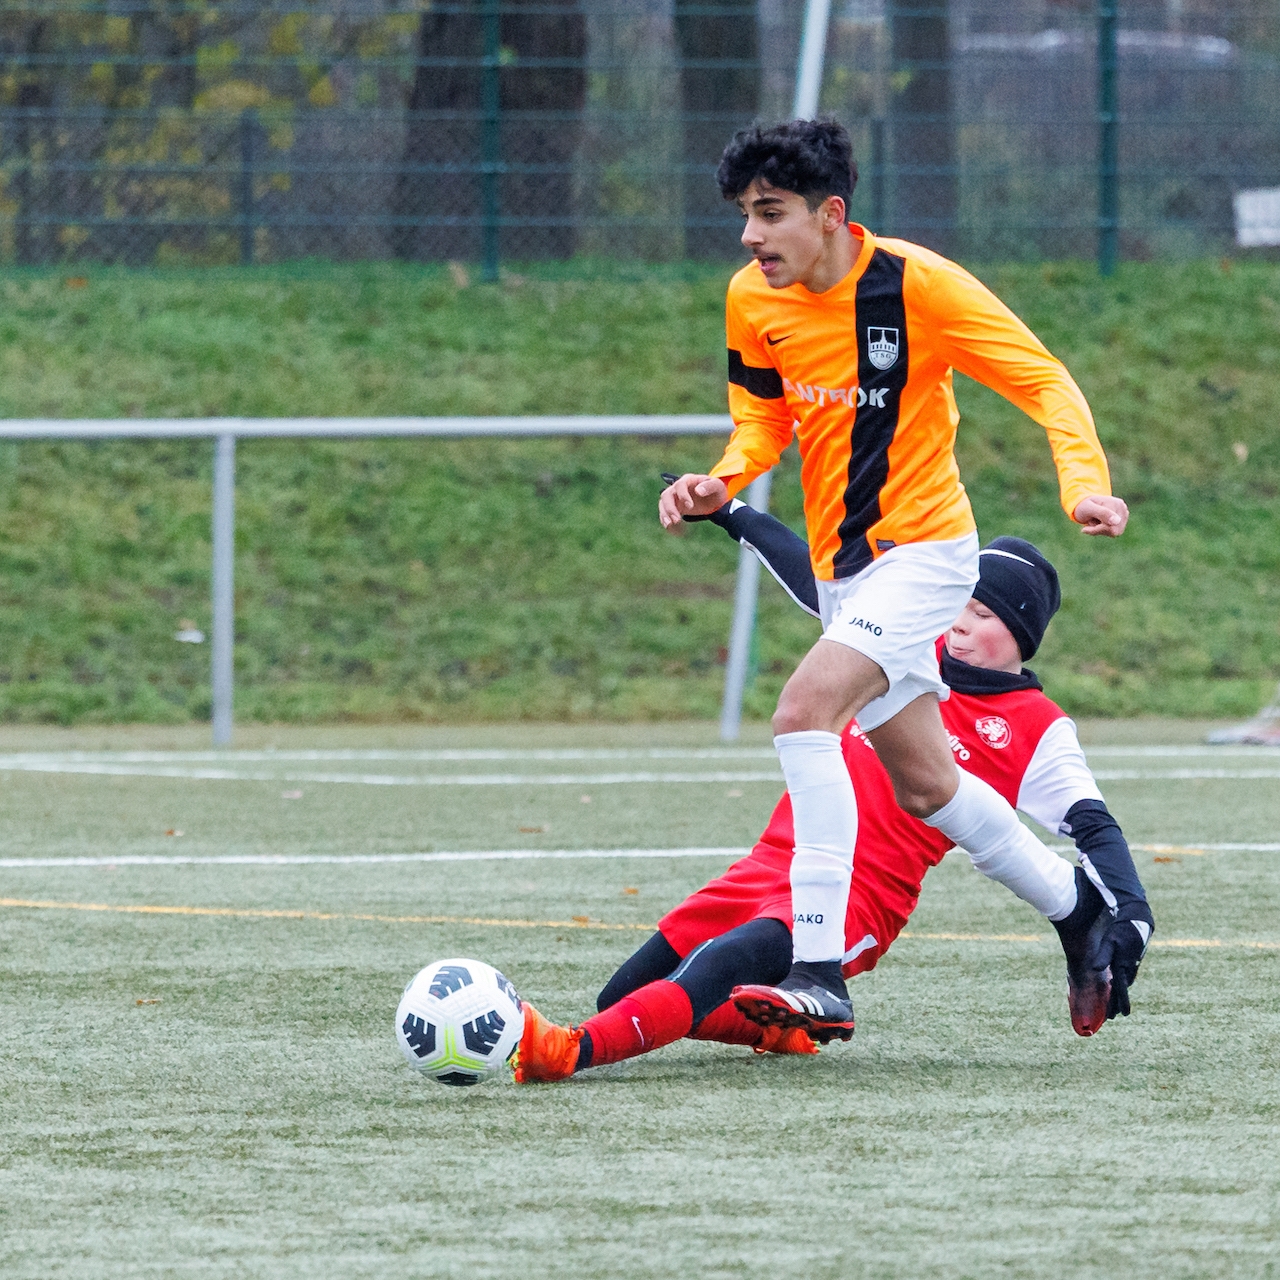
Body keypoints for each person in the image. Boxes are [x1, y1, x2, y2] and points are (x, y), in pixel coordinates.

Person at [658, 118, 1129, 1039]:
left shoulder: (920, 286)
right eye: (744, 214)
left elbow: (1044, 380)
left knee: (804, 713)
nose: (751, 235)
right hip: (846, 572)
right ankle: (1078, 910)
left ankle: (819, 968)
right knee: (927, 785)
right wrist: (726, 475)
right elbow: (763, 418)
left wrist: (1083, 486)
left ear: (831, 214)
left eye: (771, 213)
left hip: (927, 555)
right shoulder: (752, 298)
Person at [513, 517, 1153, 1083]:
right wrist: (734, 515)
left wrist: (1133, 911)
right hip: (770, 863)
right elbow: (816, 582)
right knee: (623, 994)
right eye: (959, 604)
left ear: (1022, 634)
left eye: (984, 615)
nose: (961, 622)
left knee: (721, 965)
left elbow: (1094, 827)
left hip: (858, 898)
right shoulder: (903, 648)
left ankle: (569, 1052)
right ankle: (775, 1031)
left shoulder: (1036, 725)